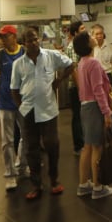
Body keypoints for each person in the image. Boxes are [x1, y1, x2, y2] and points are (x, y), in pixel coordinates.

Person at [10, 27, 74, 201]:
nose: (33, 42)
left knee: (52, 144)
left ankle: (54, 180)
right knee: (31, 149)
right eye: (29, 40)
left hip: (48, 110)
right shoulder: (18, 64)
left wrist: (59, 80)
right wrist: (20, 107)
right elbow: (14, 89)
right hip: (28, 111)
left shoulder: (51, 56)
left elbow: (70, 64)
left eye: (35, 39)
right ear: (23, 44)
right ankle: (36, 185)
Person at [0, 24, 27, 191]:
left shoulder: (24, 52)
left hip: (24, 102)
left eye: (5, 36)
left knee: (26, 136)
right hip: (5, 103)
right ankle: (9, 174)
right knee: (7, 140)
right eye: (1, 37)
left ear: (14, 37)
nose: (1, 40)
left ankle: (21, 165)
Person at [74, 31, 112, 200]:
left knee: (87, 146)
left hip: (85, 107)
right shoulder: (94, 64)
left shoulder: (81, 63)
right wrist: (107, 113)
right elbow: (98, 90)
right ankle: (98, 187)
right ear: (87, 44)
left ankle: (84, 184)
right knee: (97, 147)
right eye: (90, 36)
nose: (93, 37)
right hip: (94, 108)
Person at [63, 20, 86, 152]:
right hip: (76, 87)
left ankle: (84, 141)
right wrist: (80, 88)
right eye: (82, 29)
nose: (85, 30)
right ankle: (78, 145)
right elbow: (73, 69)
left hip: (83, 86)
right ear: (76, 32)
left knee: (82, 115)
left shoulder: (81, 46)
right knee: (77, 116)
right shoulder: (72, 47)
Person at [91, 23, 112, 92]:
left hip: (107, 75)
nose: (99, 36)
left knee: (110, 98)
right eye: (97, 34)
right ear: (92, 35)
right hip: (95, 76)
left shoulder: (109, 46)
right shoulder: (90, 47)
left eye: (101, 33)